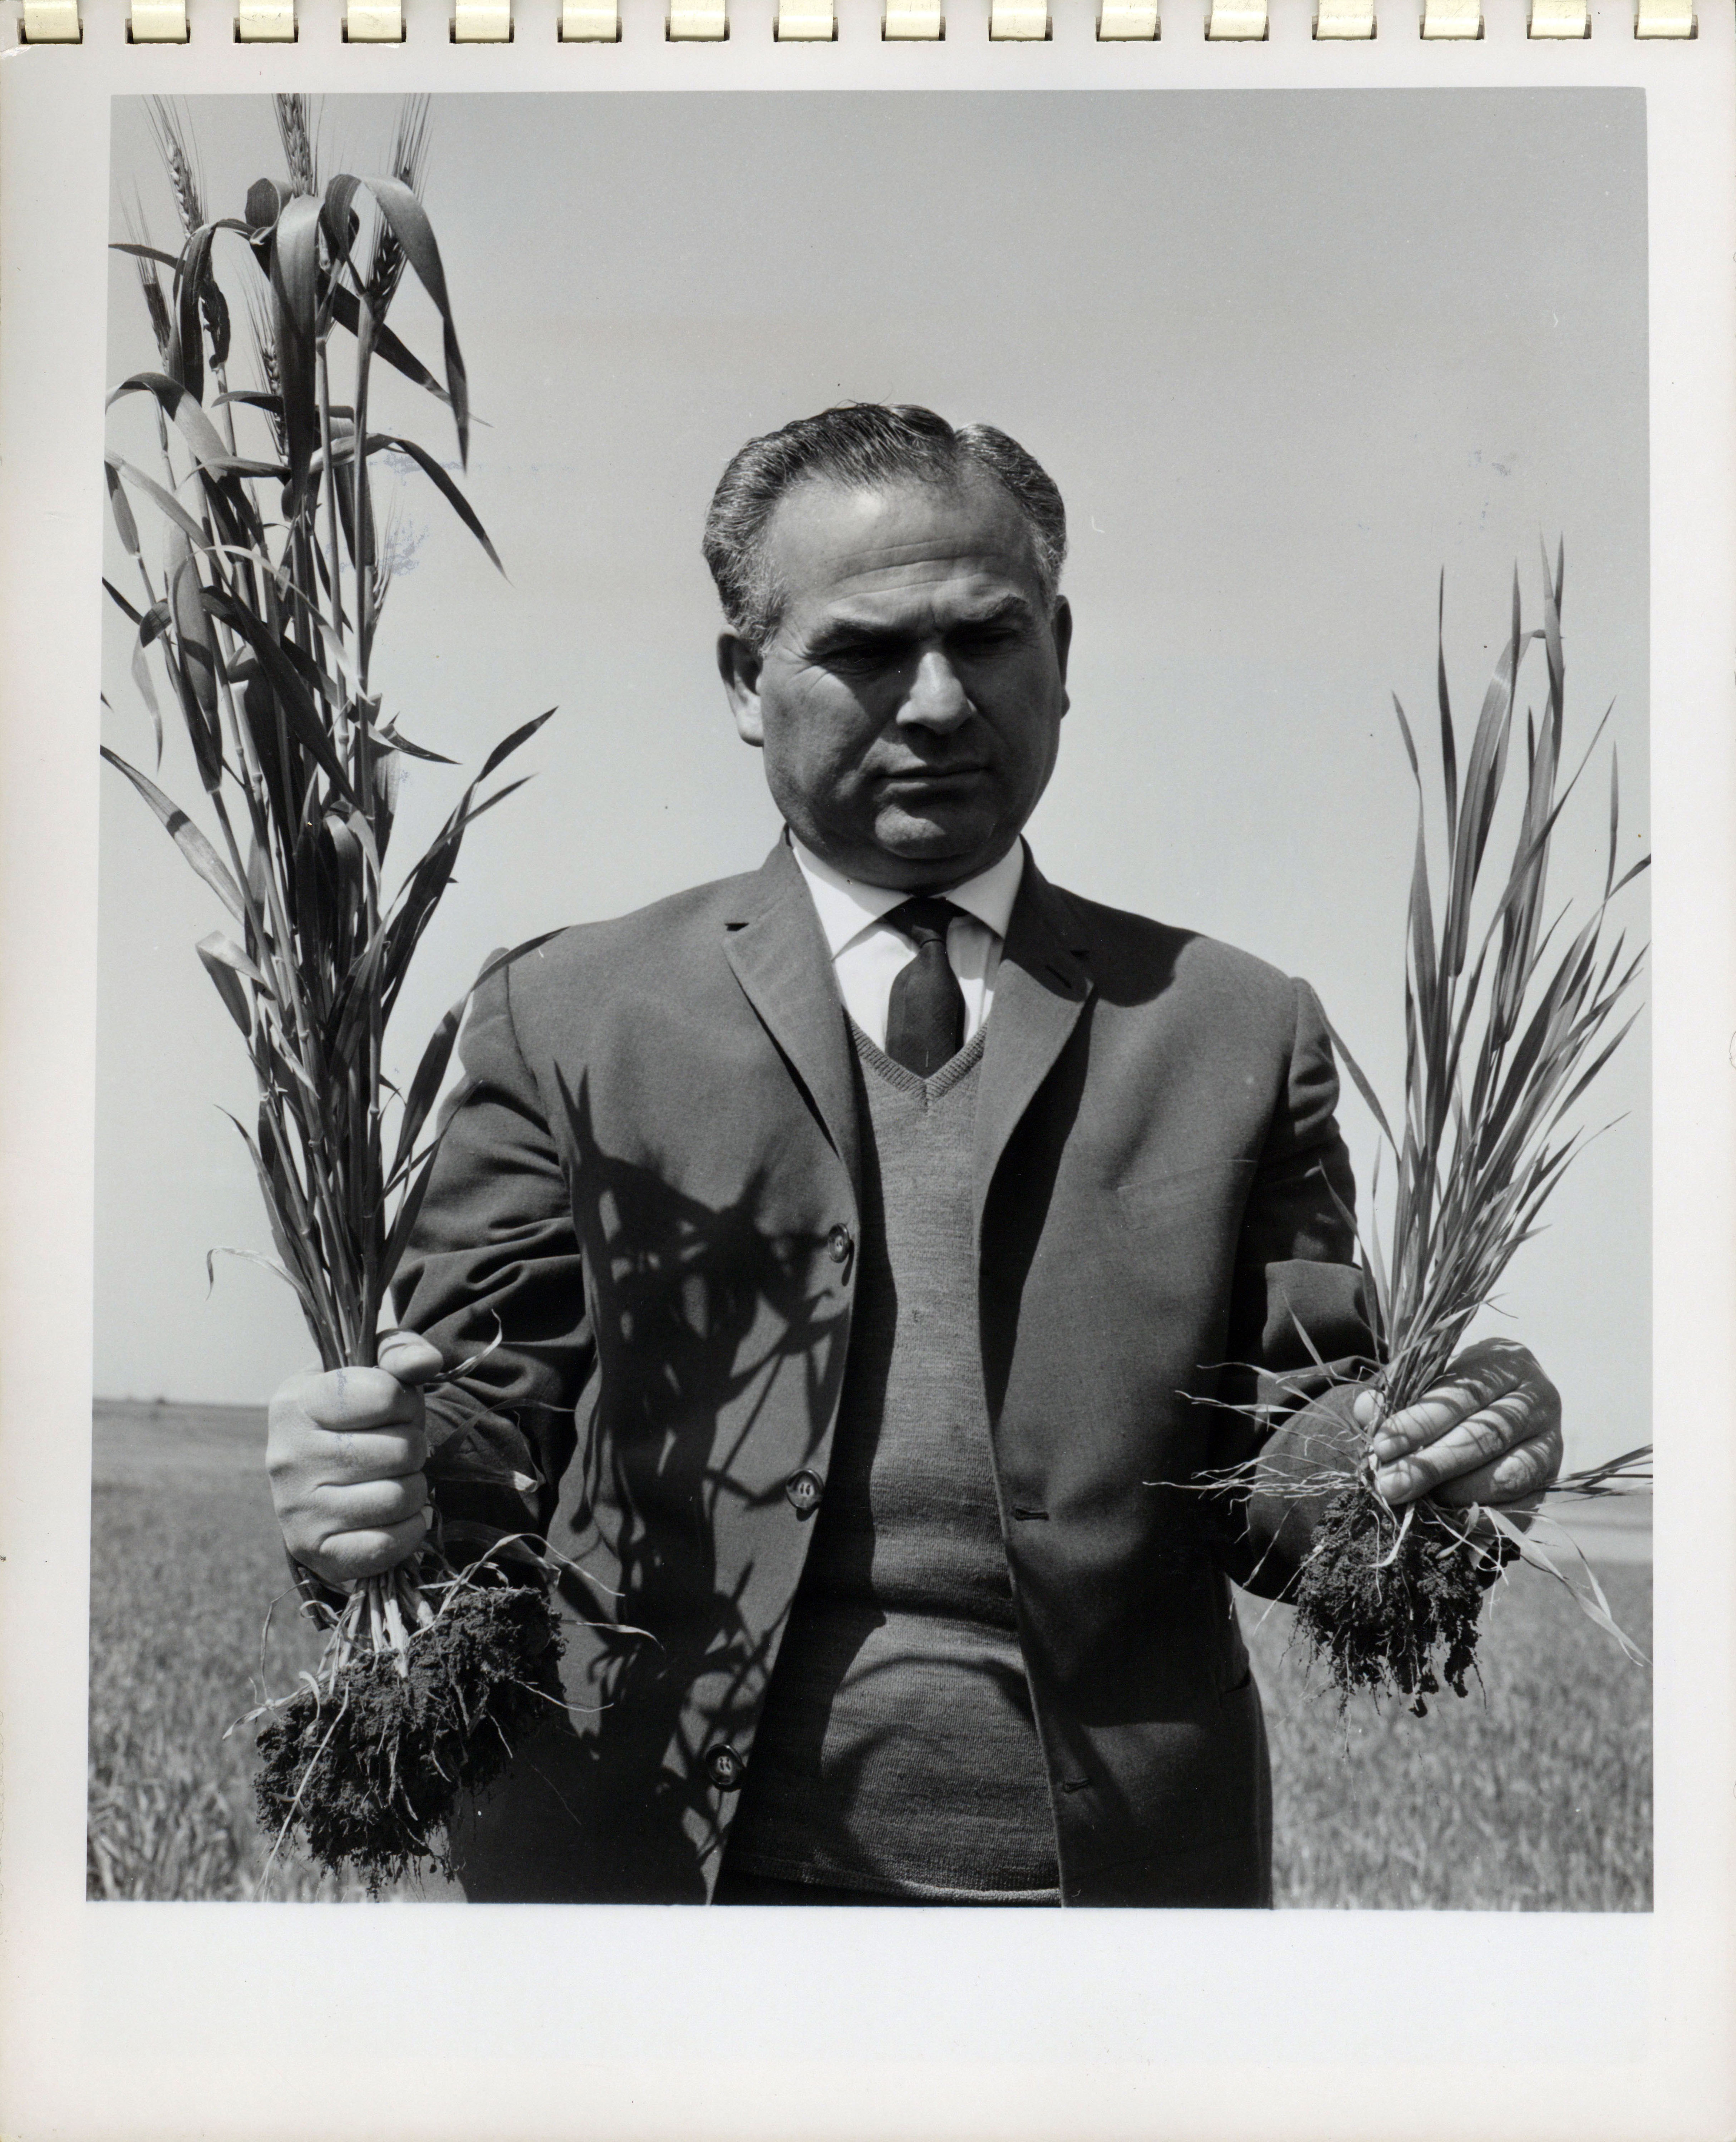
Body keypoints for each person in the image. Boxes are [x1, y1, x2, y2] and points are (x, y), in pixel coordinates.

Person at [266, 404, 1562, 1907]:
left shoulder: (1231, 1029)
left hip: (1106, 1912)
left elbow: (1281, 1458)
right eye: (868, 652)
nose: (939, 703)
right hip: (645, 1897)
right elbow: (483, 1420)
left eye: (987, 638)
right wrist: (377, 1480)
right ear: (743, 681)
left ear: (1059, 652)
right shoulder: (567, 1015)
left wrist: (1423, 1456)